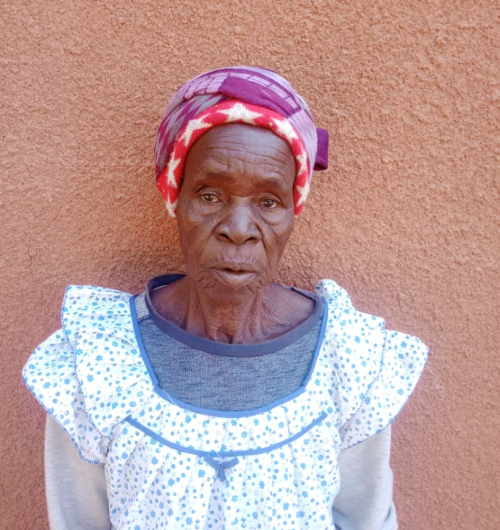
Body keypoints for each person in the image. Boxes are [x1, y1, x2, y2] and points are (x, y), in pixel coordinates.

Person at [22, 66, 428, 530]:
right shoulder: (98, 362)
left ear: (293, 211)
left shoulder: (347, 356)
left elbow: (367, 520)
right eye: (211, 195)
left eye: (269, 202)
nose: (238, 229)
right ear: (175, 197)